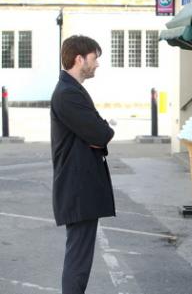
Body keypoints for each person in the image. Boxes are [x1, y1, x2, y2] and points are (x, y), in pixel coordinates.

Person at [50, 35, 115, 294]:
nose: (97, 63)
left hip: (82, 186)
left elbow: (98, 133)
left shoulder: (73, 90)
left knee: (80, 257)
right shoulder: (67, 94)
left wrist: (98, 134)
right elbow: (101, 133)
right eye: (94, 57)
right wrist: (99, 134)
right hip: (78, 189)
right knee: (78, 259)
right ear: (80, 59)